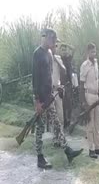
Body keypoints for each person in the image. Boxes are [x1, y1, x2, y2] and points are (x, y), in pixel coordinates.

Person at [32, 29, 83, 169]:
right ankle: (40, 157)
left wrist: (56, 88)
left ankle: (68, 151)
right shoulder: (37, 54)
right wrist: (37, 102)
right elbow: (35, 80)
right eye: (53, 40)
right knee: (40, 127)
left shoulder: (49, 54)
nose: (55, 43)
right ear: (47, 38)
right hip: (40, 99)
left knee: (56, 123)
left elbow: (49, 78)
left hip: (49, 96)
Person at [80, 43, 99, 159]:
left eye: (94, 51)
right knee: (90, 124)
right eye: (91, 52)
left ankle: (98, 147)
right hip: (89, 96)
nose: (93, 54)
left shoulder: (96, 63)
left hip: (97, 96)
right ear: (87, 52)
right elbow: (81, 84)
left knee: (97, 123)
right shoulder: (85, 65)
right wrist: (83, 102)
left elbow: (97, 79)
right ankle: (91, 149)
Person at [51, 44, 67, 146]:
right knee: (53, 117)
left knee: (60, 116)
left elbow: (64, 71)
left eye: (56, 46)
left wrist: (57, 60)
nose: (54, 47)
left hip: (58, 90)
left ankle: (61, 137)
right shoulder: (45, 57)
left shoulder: (58, 58)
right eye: (54, 45)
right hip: (49, 91)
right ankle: (55, 138)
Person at [60, 43, 74, 128]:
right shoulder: (58, 59)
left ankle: (69, 120)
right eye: (62, 50)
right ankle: (64, 120)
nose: (64, 51)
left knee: (69, 104)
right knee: (63, 104)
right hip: (62, 84)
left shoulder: (68, 58)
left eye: (65, 50)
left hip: (69, 84)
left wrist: (66, 44)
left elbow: (74, 49)